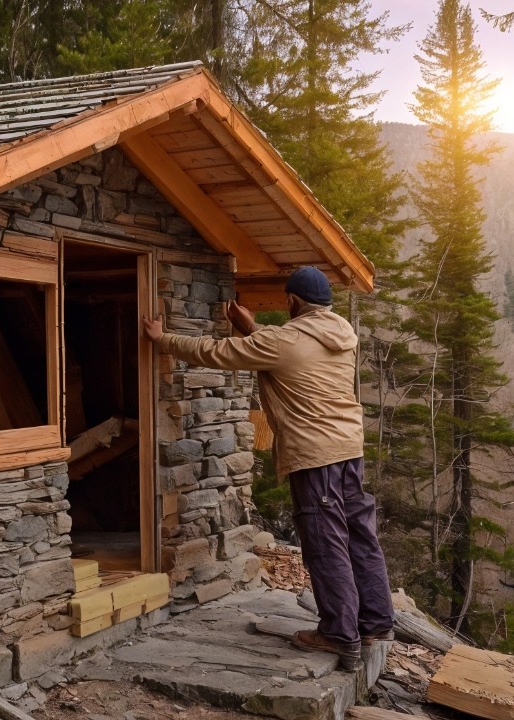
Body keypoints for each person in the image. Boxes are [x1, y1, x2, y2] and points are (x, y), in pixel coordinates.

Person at [141, 266, 393, 671]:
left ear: (292, 301)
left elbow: (218, 353)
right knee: (360, 537)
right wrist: (253, 328)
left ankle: (339, 635)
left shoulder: (286, 339)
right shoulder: (341, 332)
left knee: (325, 544)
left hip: (315, 457)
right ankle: (376, 624)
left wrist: (162, 338)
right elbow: (283, 353)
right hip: (349, 450)